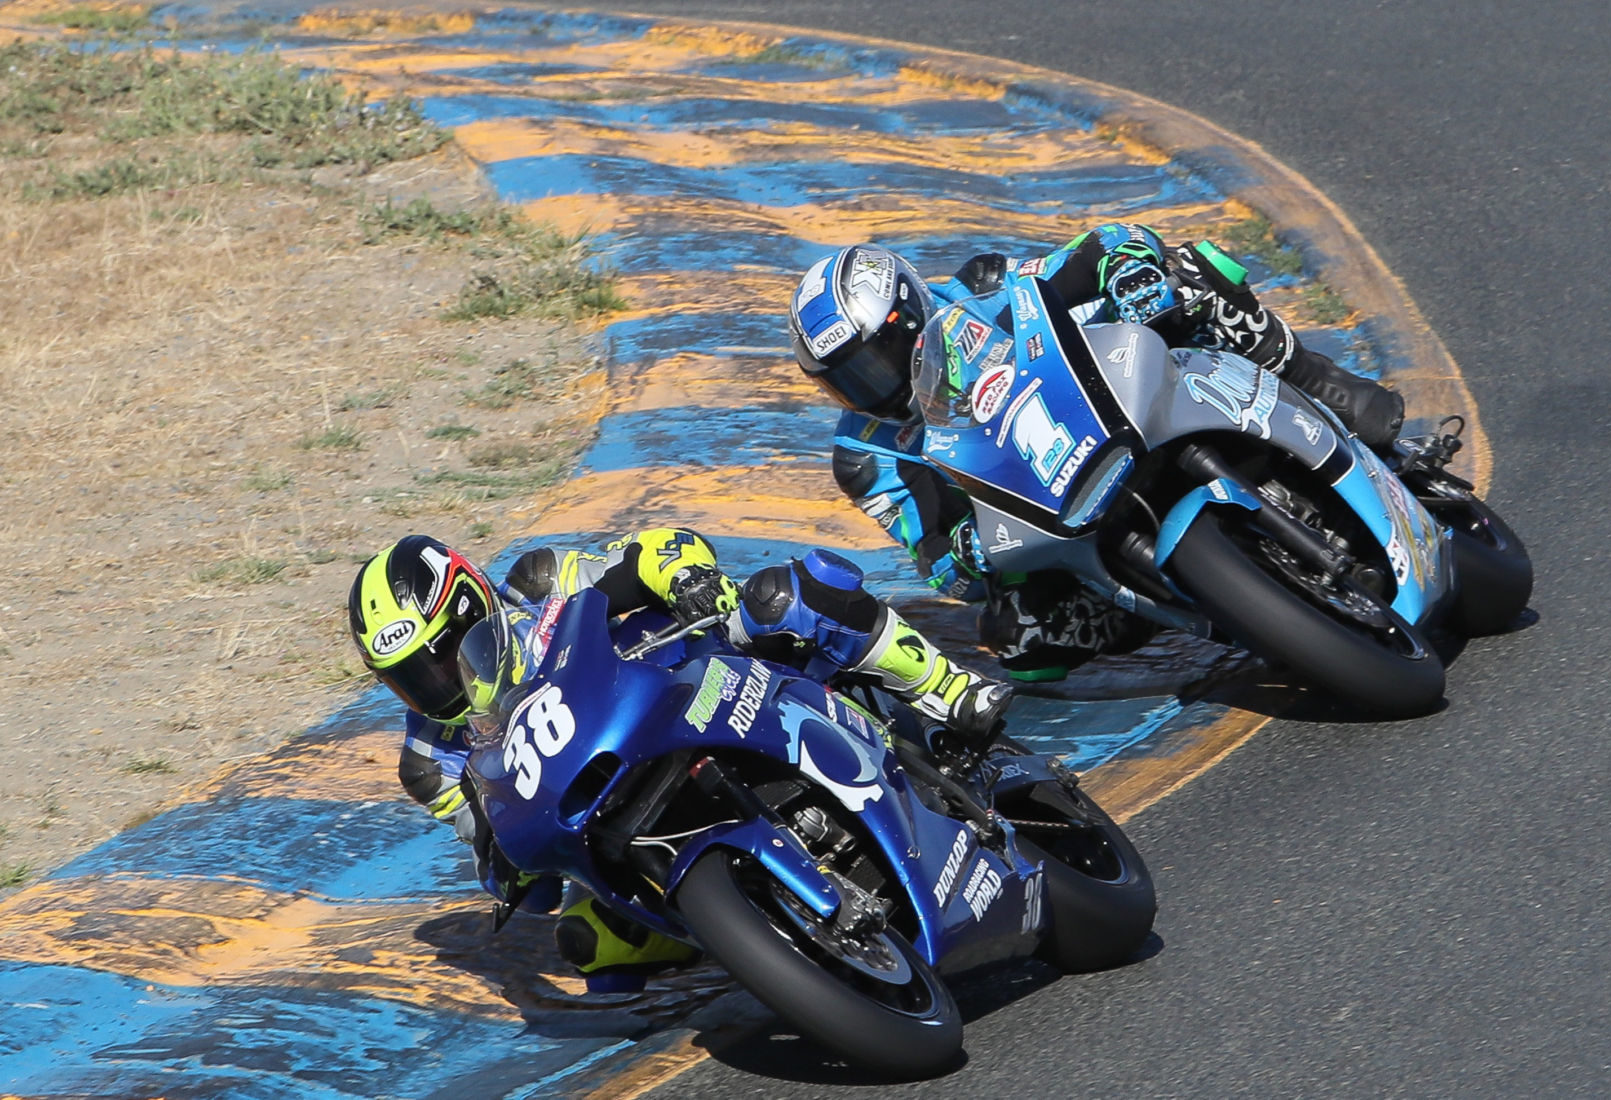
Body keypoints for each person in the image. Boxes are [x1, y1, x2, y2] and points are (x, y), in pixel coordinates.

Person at [346, 530, 1010, 991]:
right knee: (592, 950)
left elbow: (658, 549)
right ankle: (770, 944)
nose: (436, 684)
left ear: (471, 605)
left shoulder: (538, 584)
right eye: (410, 678)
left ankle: (952, 691)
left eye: (439, 656)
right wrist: (503, 868)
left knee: (783, 597)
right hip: (617, 812)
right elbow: (504, 857)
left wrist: (688, 578)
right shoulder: (428, 759)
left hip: (713, 687)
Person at [786, 224, 1407, 682]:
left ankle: (1310, 376)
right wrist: (965, 556)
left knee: (1193, 270)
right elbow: (935, 560)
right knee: (1015, 641)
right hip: (1046, 520)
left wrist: (1129, 270)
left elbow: (1100, 246)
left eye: (878, 356)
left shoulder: (983, 287)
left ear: (912, 309)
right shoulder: (864, 459)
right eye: (852, 377)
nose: (879, 383)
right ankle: (1161, 607)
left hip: (1119, 410)